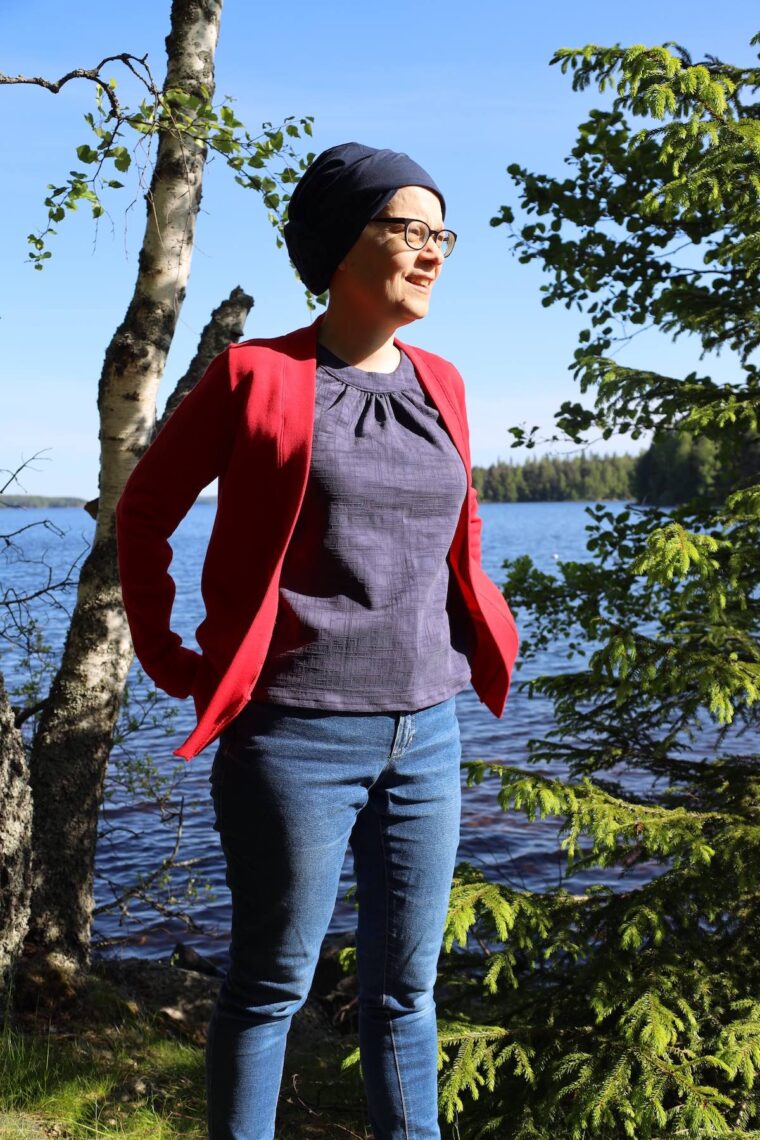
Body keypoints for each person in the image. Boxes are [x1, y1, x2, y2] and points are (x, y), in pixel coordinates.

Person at [115, 141, 519, 1140]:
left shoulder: (445, 383)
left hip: (427, 732)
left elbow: (454, 527)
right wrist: (174, 657)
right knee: (269, 985)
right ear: (344, 243)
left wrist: (477, 630)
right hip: (294, 735)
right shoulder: (258, 375)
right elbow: (145, 512)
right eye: (409, 229)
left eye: (441, 236)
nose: (432, 252)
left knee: (404, 992)